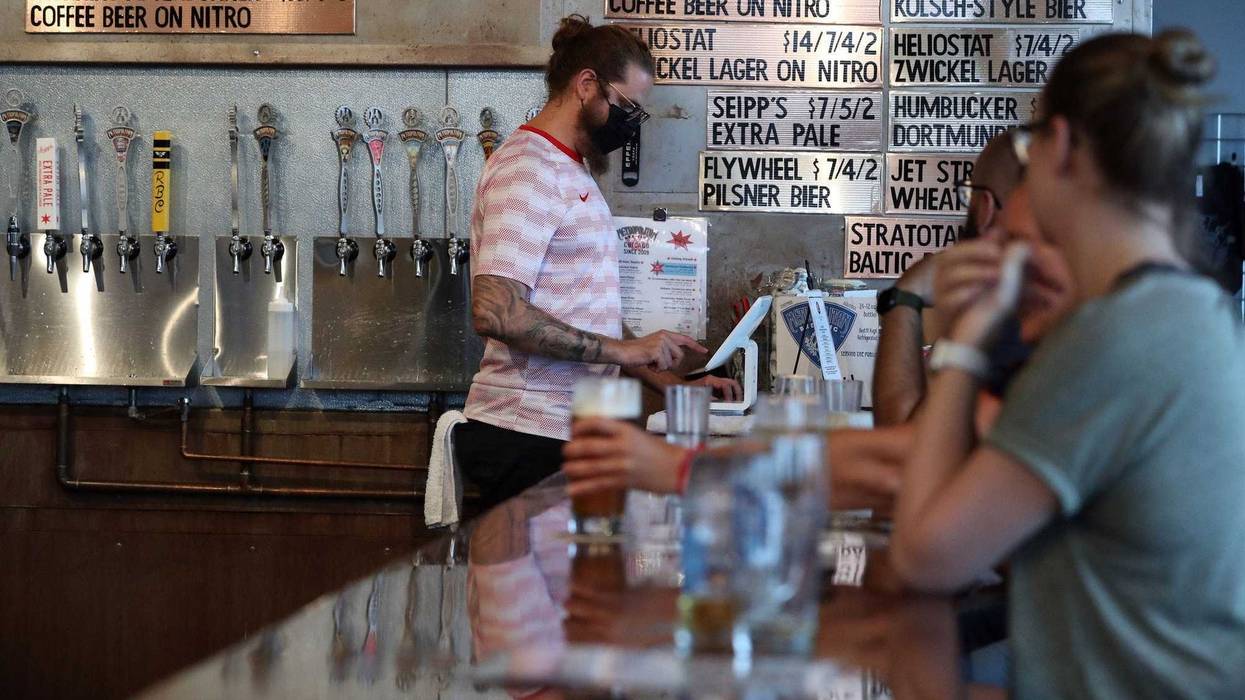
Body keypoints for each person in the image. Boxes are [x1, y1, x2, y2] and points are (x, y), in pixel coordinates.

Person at [889, 29, 1245, 699]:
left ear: (1056, 147)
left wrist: (964, 341)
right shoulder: (1186, 312)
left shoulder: (1117, 337)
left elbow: (924, 557)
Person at [459, 15, 739, 508]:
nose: (631, 123)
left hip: (570, 433)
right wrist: (625, 351)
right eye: (627, 105)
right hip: (526, 436)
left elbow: (587, 320)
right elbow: (496, 311)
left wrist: (674, 384)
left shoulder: (572, 171)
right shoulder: (528, 168)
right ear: (587, 85)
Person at [872, 133, 1025, 426]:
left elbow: (904, 440)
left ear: (985, 209)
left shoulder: (1007, 316)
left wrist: (904, 297)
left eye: (969, 196)